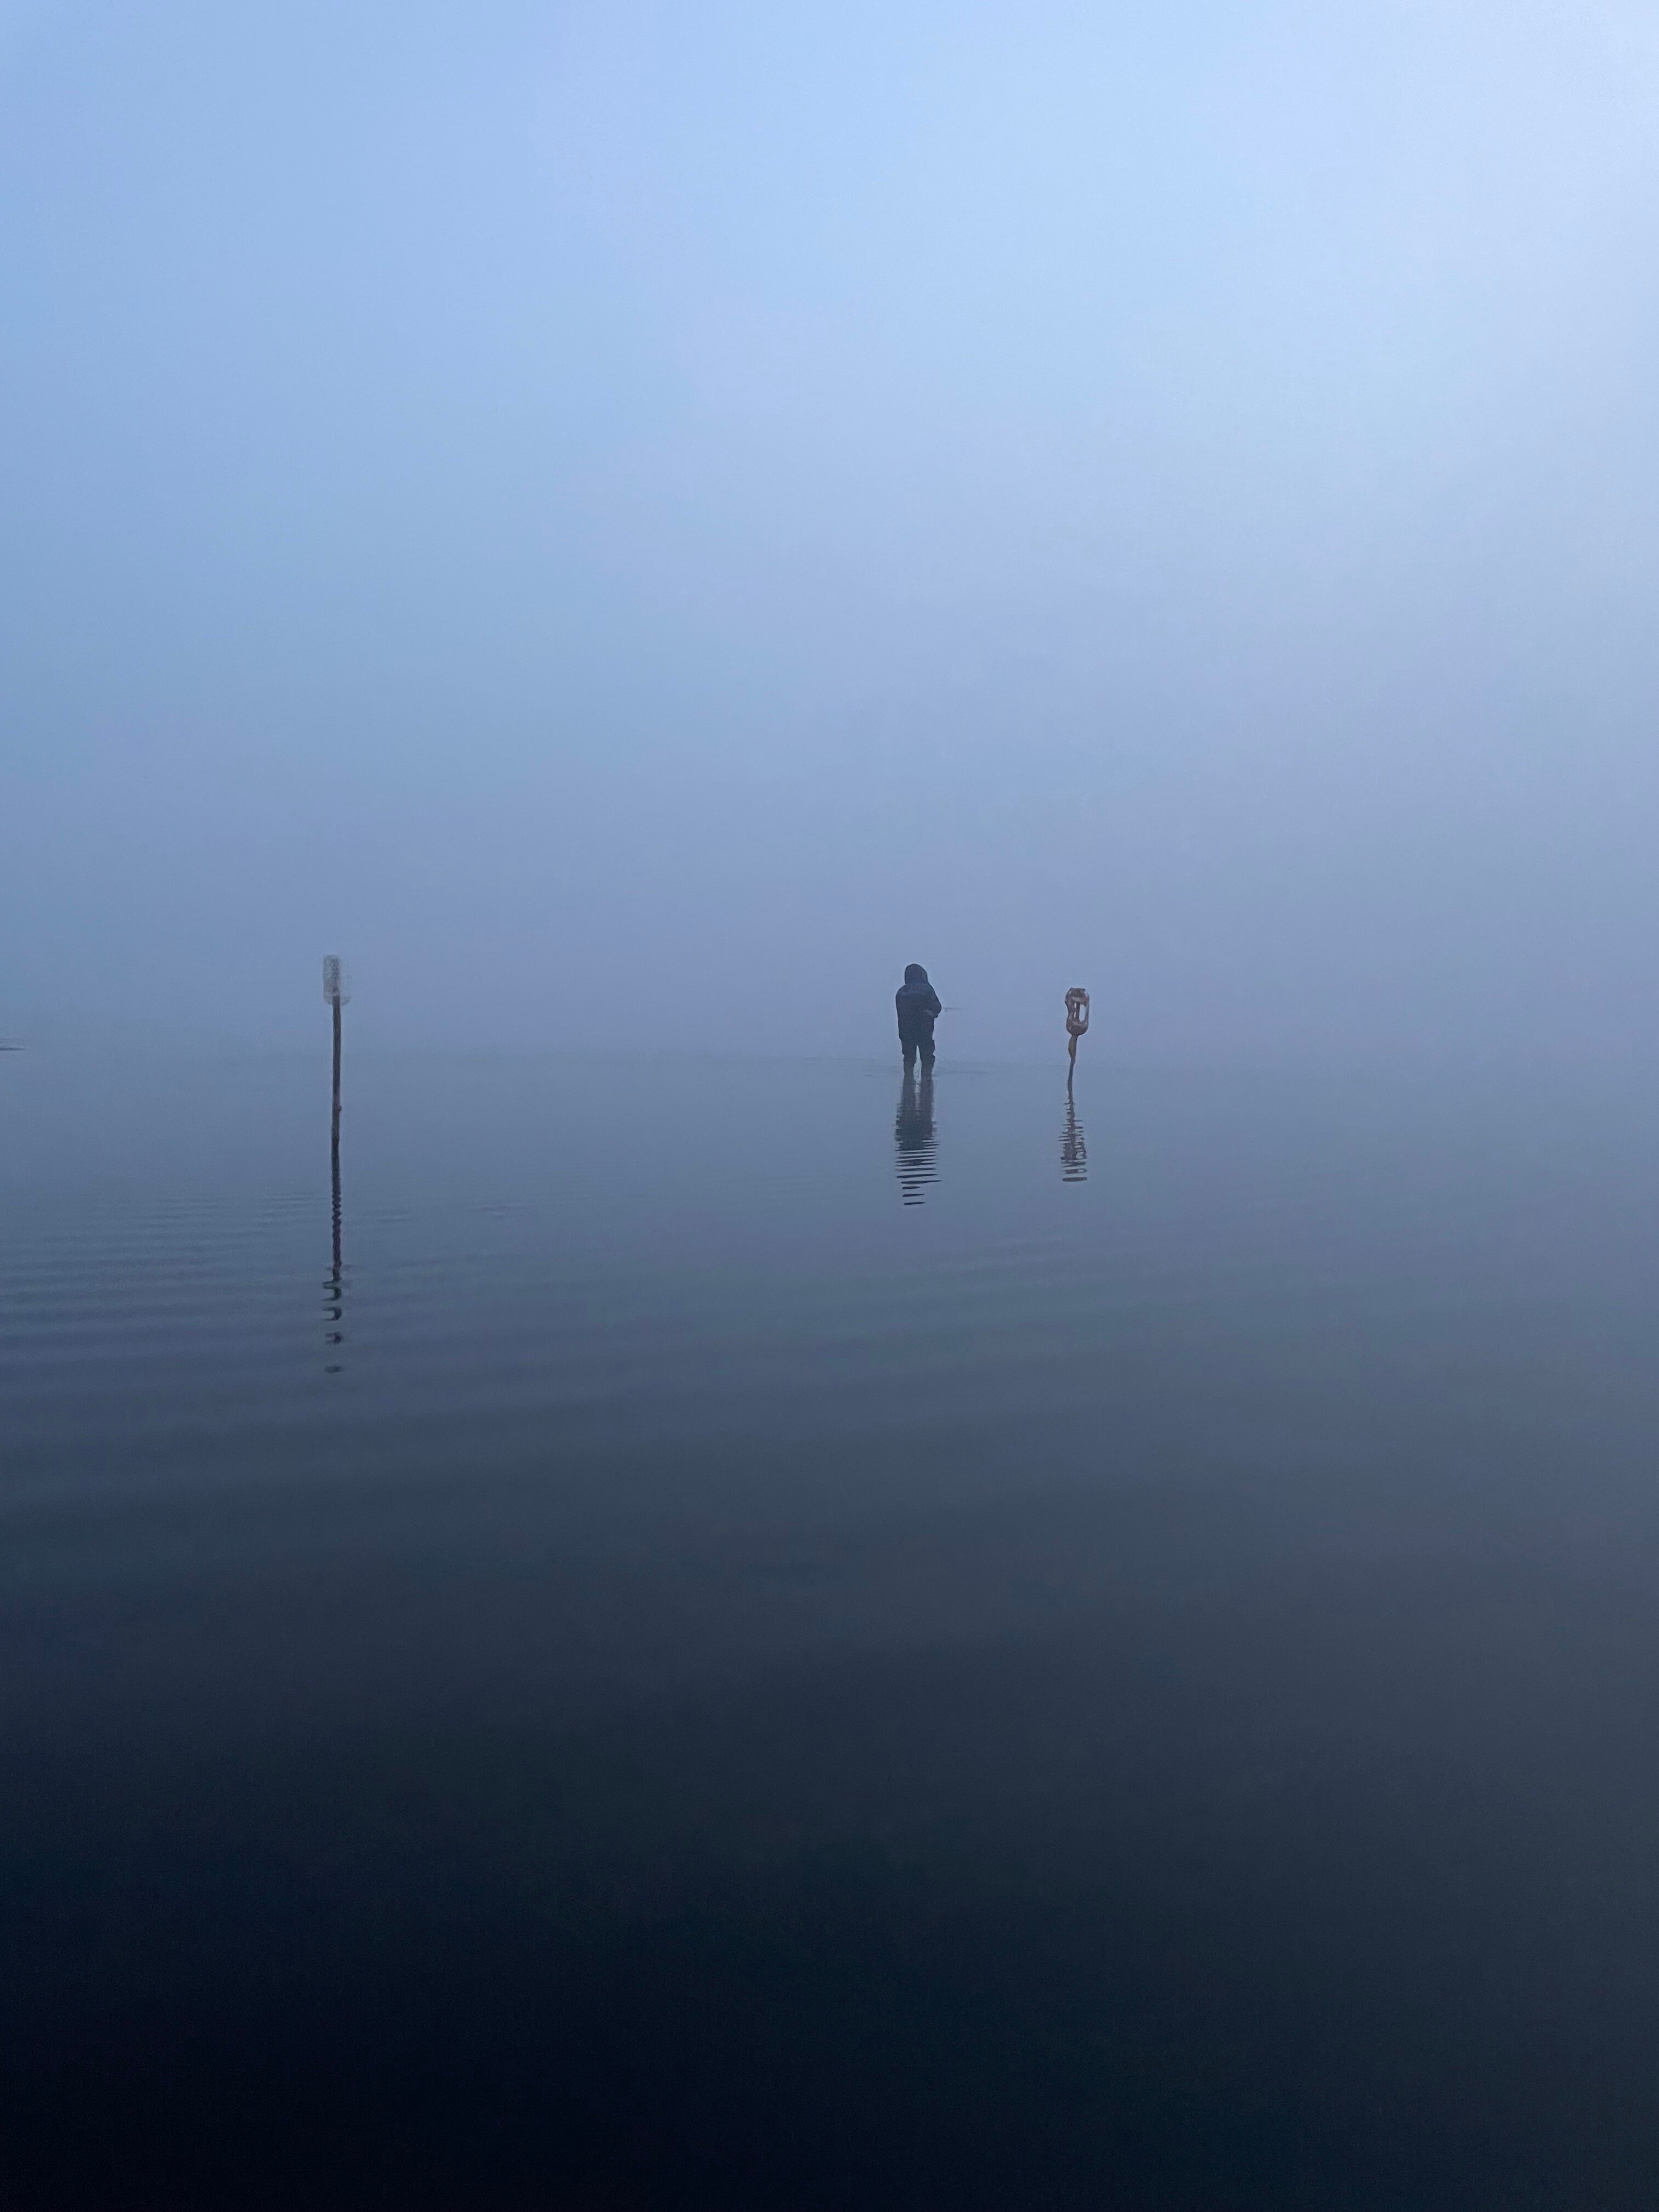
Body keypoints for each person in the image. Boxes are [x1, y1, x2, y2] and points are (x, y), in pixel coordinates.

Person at [896, 963, 943, 1072]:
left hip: (906, 1032)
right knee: (927, 1059)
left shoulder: (902, 992)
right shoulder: (927, 990)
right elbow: (937, 1007)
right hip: (925, 1030)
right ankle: (927, 1083)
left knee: (909, 1059)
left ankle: (908, 1084)